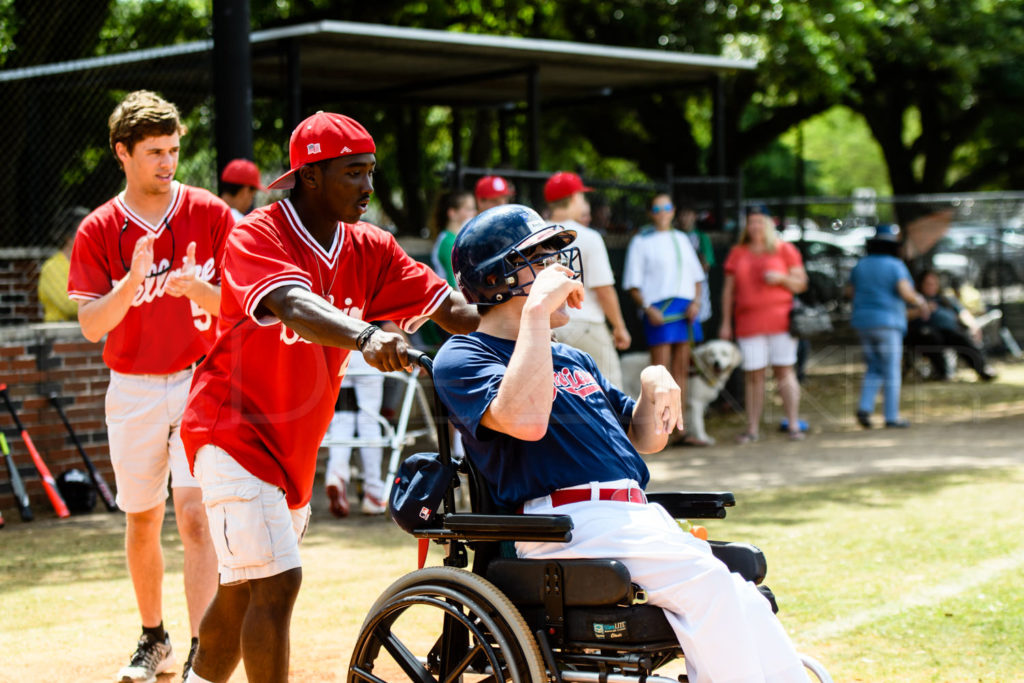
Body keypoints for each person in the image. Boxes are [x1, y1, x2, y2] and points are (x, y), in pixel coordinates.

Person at [434, 204, 809, 683]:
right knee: (713, 586)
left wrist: (654, 378)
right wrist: (535, 316)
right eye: (538, 255)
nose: (557, 264)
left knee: (740, 594)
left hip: (630, 516)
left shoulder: (572, 357)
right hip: (565, 524)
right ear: (495, 278)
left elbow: (645, 439)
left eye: (556, 252)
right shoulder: (464, 355)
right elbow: (524, 421)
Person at [179, 111, 479, 683]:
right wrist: (366, 334)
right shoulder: (257, 233)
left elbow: (454, 311)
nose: (369, 187)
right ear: (310, 176)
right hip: (232, 428)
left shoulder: (373, 247)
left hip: (294, 444)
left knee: (243, 586)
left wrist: (527, 306)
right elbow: (294, 304)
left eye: (370, 171)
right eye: (353, 173)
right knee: (278, 579)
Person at [66, 90, 230, 683]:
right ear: (123, 153)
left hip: (198, 380)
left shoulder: (210, 213)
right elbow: (89, 325)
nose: (167, 162)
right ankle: (153, 637)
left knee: (194, 517)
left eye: (174, 150)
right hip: (131, 385)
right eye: (155, 151)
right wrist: (133, 282)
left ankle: (201, 652)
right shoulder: (100, 228)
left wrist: (198, 290)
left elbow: (242, 304)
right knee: (141, 517)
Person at [719, 205, 807, 443]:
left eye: (759, 221)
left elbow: (801, 283)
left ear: (768, 223)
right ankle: (752, 428)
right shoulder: (738, 252)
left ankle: (793, 423)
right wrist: (726, 322)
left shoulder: (784, 249)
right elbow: (728, 291)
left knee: (784, 371)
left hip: (781, 322)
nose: (755, 226)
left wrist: (781, 278)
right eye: (751, 222)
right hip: (748, 322)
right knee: (754, 375)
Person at [623, 194, 705, 437]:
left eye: (667, 207)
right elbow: (632, 284)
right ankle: (658, 431)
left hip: (685, 309)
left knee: (681, 369)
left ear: (673, 210)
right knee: (660, 371)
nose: (662, 212)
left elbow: (697, 277)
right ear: (650, 212)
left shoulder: (682, 238)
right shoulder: (640, 242)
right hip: (660, 310)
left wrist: (696, 303)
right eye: (657, 208)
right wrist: (648, 308)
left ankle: (680, 429)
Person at [544, 171, 630, 388]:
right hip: (586, 323)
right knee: (611, 392)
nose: (584, 202)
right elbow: (604, 289)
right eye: (582, 197)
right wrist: (619, 326)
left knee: (558, 395)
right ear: (573, 198)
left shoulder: (533, 234)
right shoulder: (589, 236)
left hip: (544, 326)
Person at [848, 224, 930, 428]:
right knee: (891, 369)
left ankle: (865, 408)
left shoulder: (861, 265)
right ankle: (891, 417)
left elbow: (849, 292)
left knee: (873, 366)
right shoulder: (895, 266)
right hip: (888, 323)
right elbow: (906, 292)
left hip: (863, 322)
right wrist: (921, 301)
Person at [324, 322, 408, 518]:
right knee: (369, 420)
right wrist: (410, 351)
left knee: (342, 419)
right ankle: (373, 491)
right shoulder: (368, 292)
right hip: (367, 352)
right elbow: (386, 323)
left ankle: (336, 474)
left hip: (339, 350)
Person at [906, 269, 996, 382]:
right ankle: (943, 373)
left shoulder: (945, 299)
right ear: (920, 284)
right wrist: (921, 310)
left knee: (961, 338)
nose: (931, 286)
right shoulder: (915, 299)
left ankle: (983, 369)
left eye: (934, 283)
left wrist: (974, 326)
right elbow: (904, 315)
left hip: (949, 332)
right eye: (928, 284)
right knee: (932, 337)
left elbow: (963, 313)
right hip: (925, 333)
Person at [39, 206, 88, 322]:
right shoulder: (51, 268)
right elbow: (69, 305)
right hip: (59, 336)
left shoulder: (93, 264)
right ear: (68, 237)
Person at [676, 199, 714, 325]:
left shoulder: (701, 237)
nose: (684, 218)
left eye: (688, 214)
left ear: (695, 216)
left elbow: (706, 264)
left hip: (698, 287)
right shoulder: (673, 236)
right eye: (682, 214)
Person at [429, 189, 476, 286]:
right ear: (452, 213)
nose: (474, 213)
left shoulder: (452, 239)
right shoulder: (449, 242)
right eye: (468, 209)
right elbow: (455, 284)